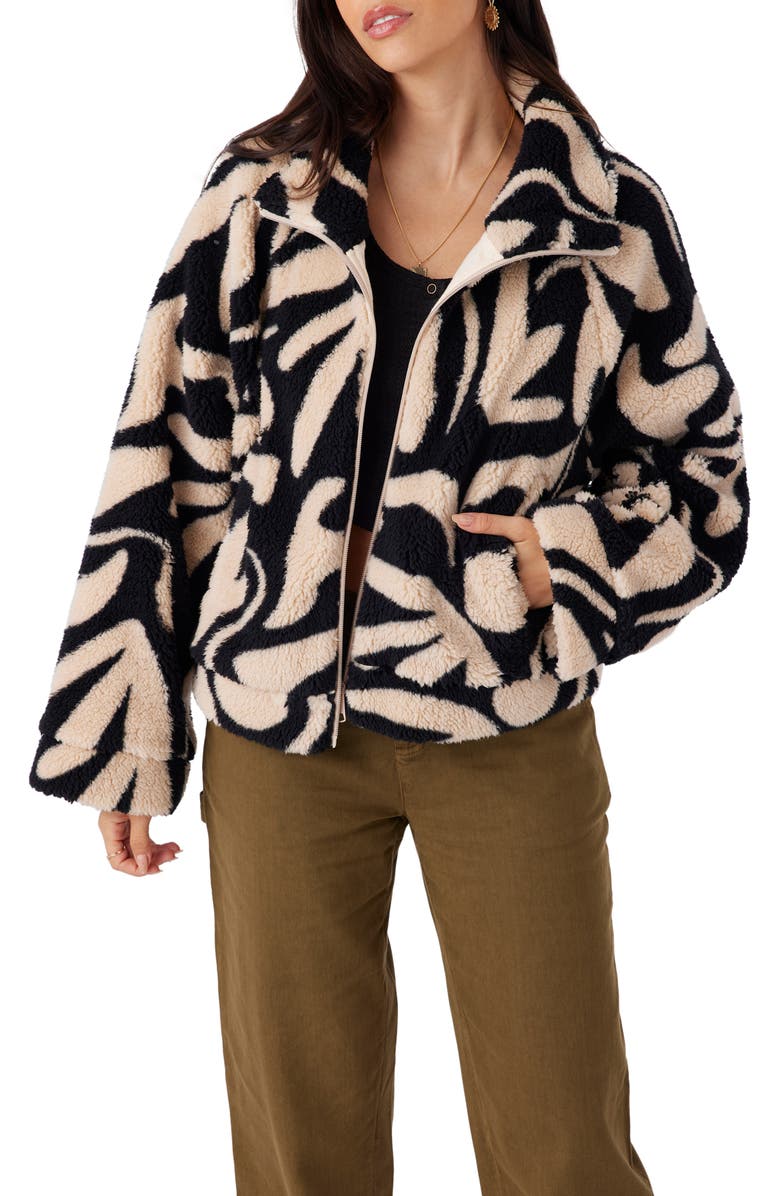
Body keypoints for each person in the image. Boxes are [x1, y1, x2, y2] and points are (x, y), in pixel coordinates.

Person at [28, 1, 750, 1192]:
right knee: (299, 1158)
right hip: (279, 731)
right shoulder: (261, 195)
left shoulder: (604, 215)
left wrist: (552, 562)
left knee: (563, 1149)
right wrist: (126, 733)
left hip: (504, 722)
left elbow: (703, 483)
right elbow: (163, 461)